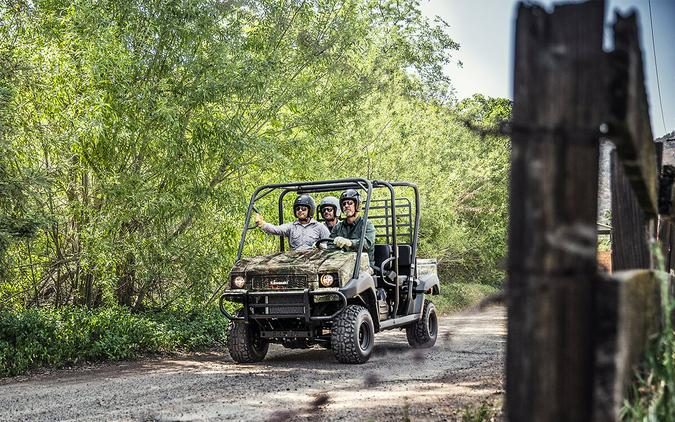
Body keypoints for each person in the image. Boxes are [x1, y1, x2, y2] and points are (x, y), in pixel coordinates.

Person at [255, 194, 330, 250]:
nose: (300, 211)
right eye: (298, 208)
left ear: (310, 211)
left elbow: (330, 245)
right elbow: (276, 229)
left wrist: (322, 247)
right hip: (295, 261)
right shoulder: (291, 227)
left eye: (304, 209)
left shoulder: (320, 227)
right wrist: (263, 224)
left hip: (315, 262)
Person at [330, 189, 376, 264]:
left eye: (350, 203)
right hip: (342, 263)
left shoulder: (366, 224)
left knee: (362, 276)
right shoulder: (338, 227)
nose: (346, 206)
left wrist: (350, 242)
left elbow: (368, 244)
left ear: (357, 205)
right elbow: (330, 244)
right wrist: (323, 246)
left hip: (363, 265)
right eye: (344, 204)